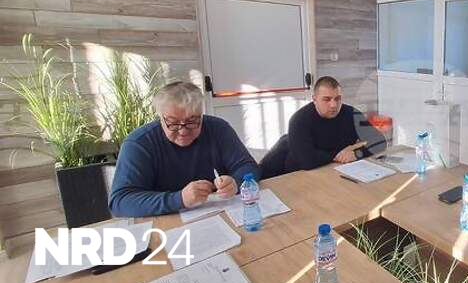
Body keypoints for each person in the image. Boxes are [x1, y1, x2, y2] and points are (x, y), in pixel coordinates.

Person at [109, 81, 258, 217]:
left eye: (192, 121)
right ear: (160, 118)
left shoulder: (218, 128)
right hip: (166, 221)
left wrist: (236, 182)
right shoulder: (139, 143)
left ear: (201, 115)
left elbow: (248, 166)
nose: (183, 131)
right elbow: (120, 201)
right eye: (173, 123)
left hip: (219, 213)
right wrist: (179, 199)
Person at [280, 76, 386, 173]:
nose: (333, 105)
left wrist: (356, 154)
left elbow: (380, 141)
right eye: (327, 99)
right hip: (299, 175)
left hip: (337, 170)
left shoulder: (351, 114)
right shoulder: (299, 120)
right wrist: (339, 155)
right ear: (314, 99)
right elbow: (307, 161)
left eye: (337, 98)